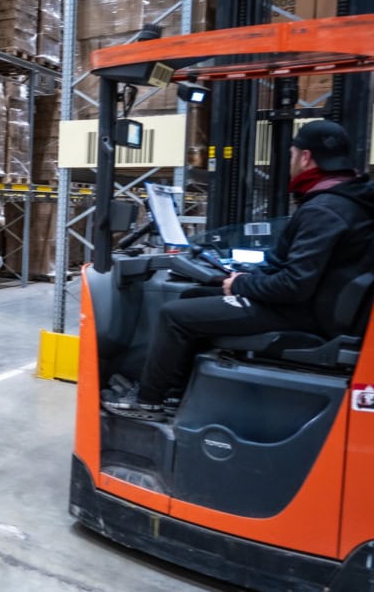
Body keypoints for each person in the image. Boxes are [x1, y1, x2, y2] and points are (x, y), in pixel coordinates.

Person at [105, 120, 374, 421]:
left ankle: (149, 401)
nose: (291, 162)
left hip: (305, 313)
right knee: (194, 294)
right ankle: (173, 393)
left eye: (292, 154)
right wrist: (246, 278)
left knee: (174, 316)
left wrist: (242, 284)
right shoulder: (351, 199)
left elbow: (293, 285)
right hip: (320, 304)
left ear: (306, 158)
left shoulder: (324, 209)